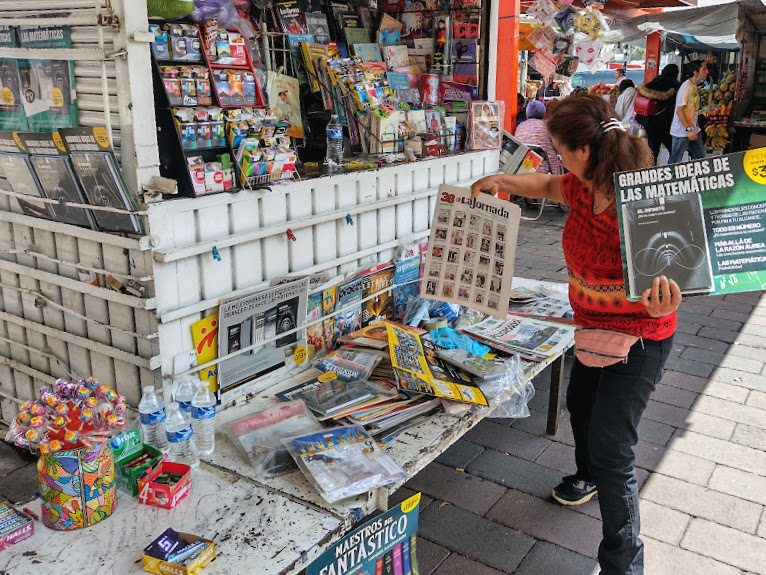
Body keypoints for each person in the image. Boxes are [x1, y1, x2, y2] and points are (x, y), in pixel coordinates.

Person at [470, 94, 681, 575]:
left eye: (560, 149)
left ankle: (622, 564)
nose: (557, 158)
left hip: (641, 335)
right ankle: (587, 476)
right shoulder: (580, 186)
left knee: (613, 447)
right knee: (580, 405)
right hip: (589, 328)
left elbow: (678, 268)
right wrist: (502, 179)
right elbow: (546, 183)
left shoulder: (641, 201)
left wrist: (668, 296)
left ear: (584, 150)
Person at [634, 63, 680, 164]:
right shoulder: (673, 85)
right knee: (673, 148)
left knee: (653, 149)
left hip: (649, 120)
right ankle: (672, 170)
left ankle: (650, 170)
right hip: (663, 122)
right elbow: (674, 106)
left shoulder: (654, 81)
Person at [669, 59, 708, 164]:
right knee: (674, 162)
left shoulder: (694, 86)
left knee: (701, 158)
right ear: (695, 73)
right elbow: (679, 111)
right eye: (704, 69)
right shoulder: (687, 87)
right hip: (682, 132)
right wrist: (689, 129)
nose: (707, 72)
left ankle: (696, 178)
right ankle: (669, 179)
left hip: (693, 130)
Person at [514, 100, 563, 175]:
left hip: (522, 170)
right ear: (544, 114)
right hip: (544, 173)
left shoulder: (520, 126)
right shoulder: (549, 127)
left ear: (527, 114)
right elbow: (559, 149)